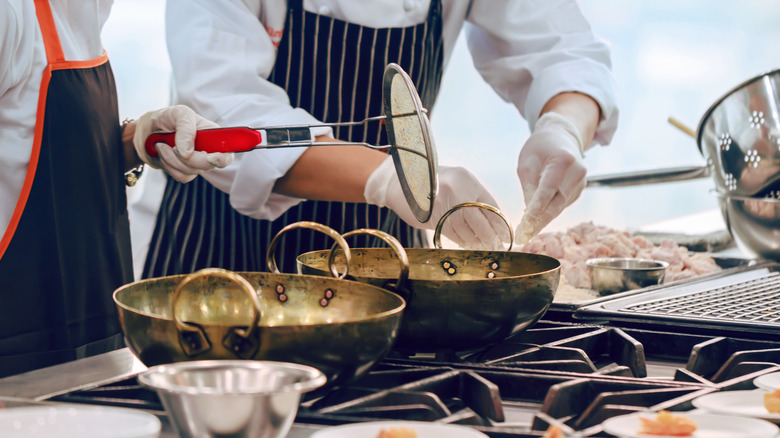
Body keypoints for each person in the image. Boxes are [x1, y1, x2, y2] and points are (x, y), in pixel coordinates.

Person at [130, 0, 619, 279]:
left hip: (389, 253)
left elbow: (563, 50)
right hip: (223, 253)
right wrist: (389, 179)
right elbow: (224, 106)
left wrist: (563, 128)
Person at [0, 0, 234, 377]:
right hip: (16, 356)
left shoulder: (84, 13)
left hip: (90, 340)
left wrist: (138, 141)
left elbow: (31, 148)